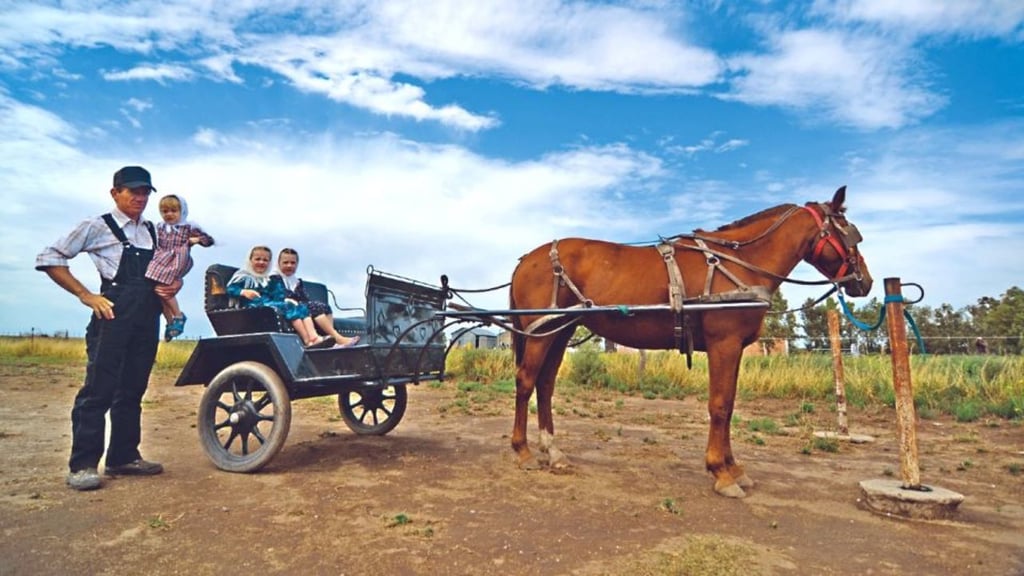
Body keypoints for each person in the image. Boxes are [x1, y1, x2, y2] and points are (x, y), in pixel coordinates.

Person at [36, 165, 174, 491]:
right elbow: (50, 257)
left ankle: (123, 457)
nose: (140, 197)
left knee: (132, 389)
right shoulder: (97, 226)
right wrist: (86, 295)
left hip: (146, 318)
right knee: (98, 391)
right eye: (133, 191)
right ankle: (83, 465)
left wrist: (172, 289)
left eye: (145, 192)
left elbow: (166, 270)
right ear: (115, 192)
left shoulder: (153, 230)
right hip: (112, 317)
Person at [226, 246, 335, 349]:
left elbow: (276, 295)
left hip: (268, 303)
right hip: (253, 305)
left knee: (299, 306)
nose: (261, 262)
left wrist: (285, 299)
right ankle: (307, 339)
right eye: (257, 259)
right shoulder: (244, 276)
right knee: (288, 307)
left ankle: (313, 336)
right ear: (250, 260)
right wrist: (243, 291)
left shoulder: (267, 279)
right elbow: (230, 289)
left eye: (265, 260)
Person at [145, 194, 214, 341]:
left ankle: (178, 315)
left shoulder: (187, 227)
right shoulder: (160, 227)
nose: (169, 214)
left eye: (173, 210)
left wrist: (196, 240)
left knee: (162, 287)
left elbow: (209, 240)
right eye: (165, 211)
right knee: (158, 292)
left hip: (177, 258)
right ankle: (170, 322)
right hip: (162, 258)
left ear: (181, 211)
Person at [274, 248, 360, 347]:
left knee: (324, 307)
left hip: (301, 307)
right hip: (289, 308)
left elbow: (304, 298)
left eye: (293, 263)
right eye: (285, 262)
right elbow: (277, 296)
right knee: (313, 307)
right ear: (279, 263)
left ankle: (330, 339)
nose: (289, 265)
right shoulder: (275, 279)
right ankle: (338, 338)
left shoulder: (296, 282)